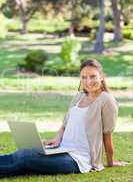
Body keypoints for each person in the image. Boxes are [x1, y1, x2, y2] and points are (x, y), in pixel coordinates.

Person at [0, 59, 128, 178]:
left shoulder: (107, 100)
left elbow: (107, 134)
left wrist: (111, 162)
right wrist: (56, 138)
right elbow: (65, 124)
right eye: (84, 77)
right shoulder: (78, 97)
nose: (88, 81)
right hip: (62, 149)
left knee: (26, 158)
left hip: (79, 159)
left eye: (93, 76)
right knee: (23, 152)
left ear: (102, 76)